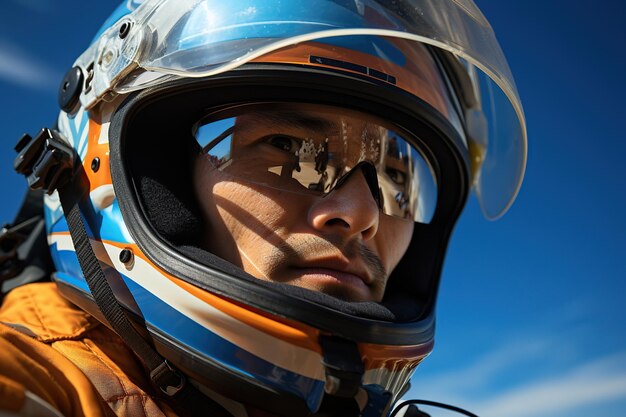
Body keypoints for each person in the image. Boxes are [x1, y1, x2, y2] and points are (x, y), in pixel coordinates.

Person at [0, 1, 527, 416]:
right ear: (128, 174)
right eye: (291, 151)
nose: (363, 213)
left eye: (396, 183)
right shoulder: (38, 379)